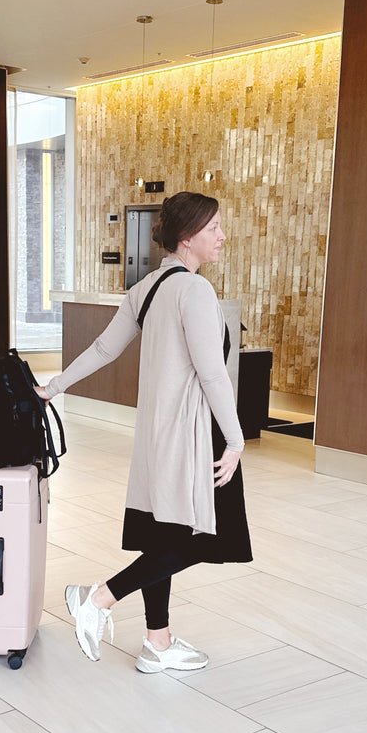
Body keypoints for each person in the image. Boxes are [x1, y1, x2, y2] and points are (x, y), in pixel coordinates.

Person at [35, 191, 252, 673]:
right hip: (192, 434)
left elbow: (102, 348)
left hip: (156, 436)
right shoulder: (194, 290)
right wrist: (236, 441)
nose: (222, 236)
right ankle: (98, 598)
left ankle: (157, 642)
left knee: (164, 536)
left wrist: (55, 386)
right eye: (213, 227)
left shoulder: (149, 286)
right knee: (202, 538)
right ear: (186, 236)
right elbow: (213, 373)